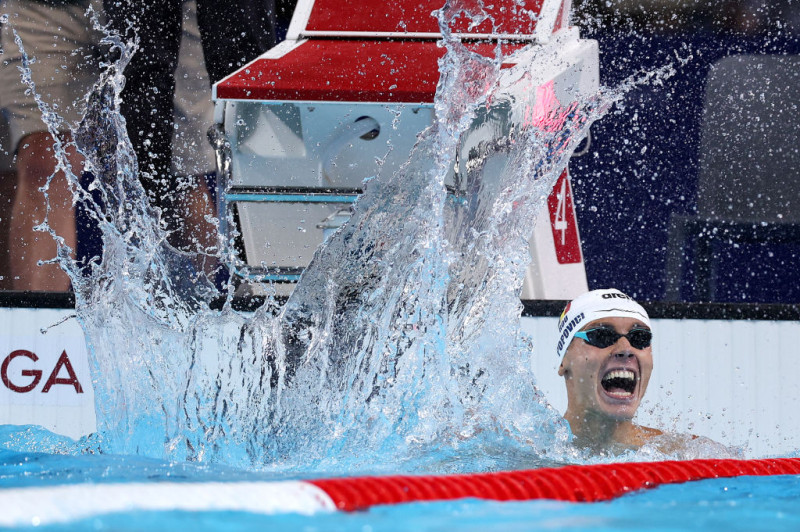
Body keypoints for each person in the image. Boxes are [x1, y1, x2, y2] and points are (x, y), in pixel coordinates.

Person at [556, 288, 660, 453]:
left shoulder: (681, 454)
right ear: (564, 360)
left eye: (639, 337)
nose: (626, 349)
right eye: (602, 335)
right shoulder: (527, 450)